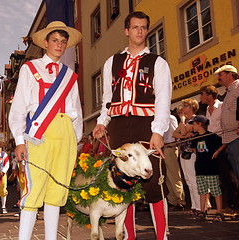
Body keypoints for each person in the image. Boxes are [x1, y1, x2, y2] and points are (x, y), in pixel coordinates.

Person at [92, 11, 171, 240]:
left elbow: (163, 100)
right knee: (121, 184)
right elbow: (108, 98)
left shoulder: (158, 62)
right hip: (118, 125)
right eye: (135, 27)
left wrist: (157, 131)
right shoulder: (112, 62)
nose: (139, 31)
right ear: (126, 31)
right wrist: (101, 123)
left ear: (146, 30)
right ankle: (128, 236)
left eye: (144, 27)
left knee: (154, 184)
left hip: (146, 124)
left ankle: (161, 237)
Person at [9, 21, 83, 239]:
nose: (59, 45)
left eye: (63, 41)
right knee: (34, 191)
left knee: (57, 192)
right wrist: (19, 140)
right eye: (55, 40)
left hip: (65, 134)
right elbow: (19, 107)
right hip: (39, 135)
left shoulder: (70, 75)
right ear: (45, 43)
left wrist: (76, 144)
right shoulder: (30, 69)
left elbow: (76, 111)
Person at [189, 115, 226, 221]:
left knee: (215, 190)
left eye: (194, 124)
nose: (192, 127)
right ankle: (202, 211)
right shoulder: (195, 137)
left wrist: (217, 152)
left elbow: (224, 143)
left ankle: (219, 212)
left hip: (211, 168)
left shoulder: (211, 136)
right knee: (202, 191)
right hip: (200, 168)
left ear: (200, 124)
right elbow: (193, 148)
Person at [173, 99, 202, 216]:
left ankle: (200, 205)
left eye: (185, 106)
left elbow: (184, 132)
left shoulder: (194, 119)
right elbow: (175, 134)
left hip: (191, 152)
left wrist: (183, 129)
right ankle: (195, 205)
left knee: (193, 179)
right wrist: (182, 133)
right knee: (188, 180)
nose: (183, 108)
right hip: (183, 151)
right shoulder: (184, 121)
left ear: (191, 107)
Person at [215, 65, 239, 180]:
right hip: (230, 138)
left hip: (237, 136)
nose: (218, 78)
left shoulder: (238, 86)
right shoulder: (229, 91)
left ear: (230, 74)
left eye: (221, 74)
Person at [163, 114, 186, 210]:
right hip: (163, 147)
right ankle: (173, 199)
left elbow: (174, 134)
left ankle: (181, 200)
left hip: (170, 147)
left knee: (174, 174)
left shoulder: (170, 118)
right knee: (168, 176)